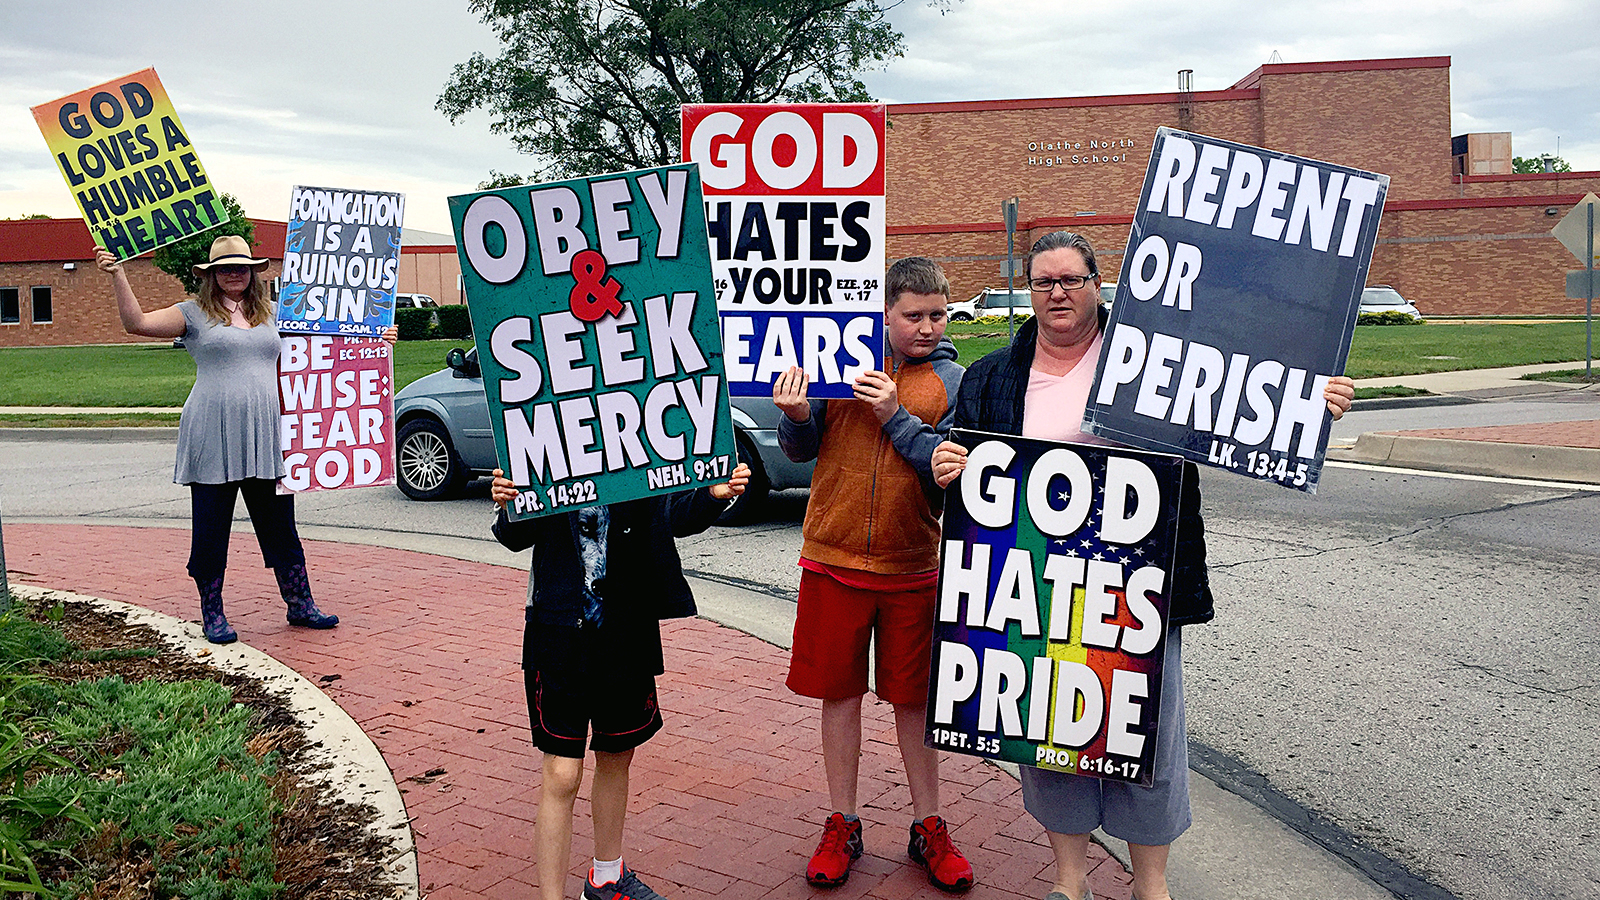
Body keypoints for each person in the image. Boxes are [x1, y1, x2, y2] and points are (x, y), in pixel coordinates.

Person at [930, 231, 1354, 900]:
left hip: (1139, 586)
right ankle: (1071, 883)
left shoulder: (1155, 362)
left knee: (1145, 732)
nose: (1057, 293)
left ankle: (1149, 886)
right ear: (1029, 291)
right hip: (1033, 586)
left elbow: (1237, 412)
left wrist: (1308, 407)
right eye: (1043, 282)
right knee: (1048, 728)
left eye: (1071, 279)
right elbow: (957, 471)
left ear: (1099, 283)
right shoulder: (991, 377)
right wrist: (945, 465)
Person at [774, 256, 973, 891]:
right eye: (912, 316)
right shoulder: (836, 358)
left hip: (913, 562)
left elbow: (942, 468)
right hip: (832, 557)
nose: (926, 327)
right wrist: (798, 414)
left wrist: (893, 412)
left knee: (914, 701)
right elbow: (802, 451)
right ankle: (843, 821)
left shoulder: (952, 379)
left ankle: (928, 824)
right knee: (840, 696)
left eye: (937, 315)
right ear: (884, 312)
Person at [96, 235, 397, 644]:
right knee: (210, 527)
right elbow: (137, 324)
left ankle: (300, 604)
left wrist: (376, 339)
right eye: (225, 267)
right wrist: (118, 275)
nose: (234, 273)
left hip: (266, 433)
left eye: (241, 266)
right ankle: (212, 613)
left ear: (254, 272)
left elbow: (328, 347)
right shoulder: (192, 313)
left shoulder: (275, 313)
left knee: (280, 525)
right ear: (212, 275)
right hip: (211, 431)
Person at [489, 462, 750, 900]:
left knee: (617, 751)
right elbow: (515, 536)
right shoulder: (539, 439)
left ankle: (607, 876)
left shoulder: (641, 436)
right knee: (561, 772)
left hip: (625, 626)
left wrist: (713, 494)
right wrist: (508, 500)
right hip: (559, 630)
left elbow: (673, 515)